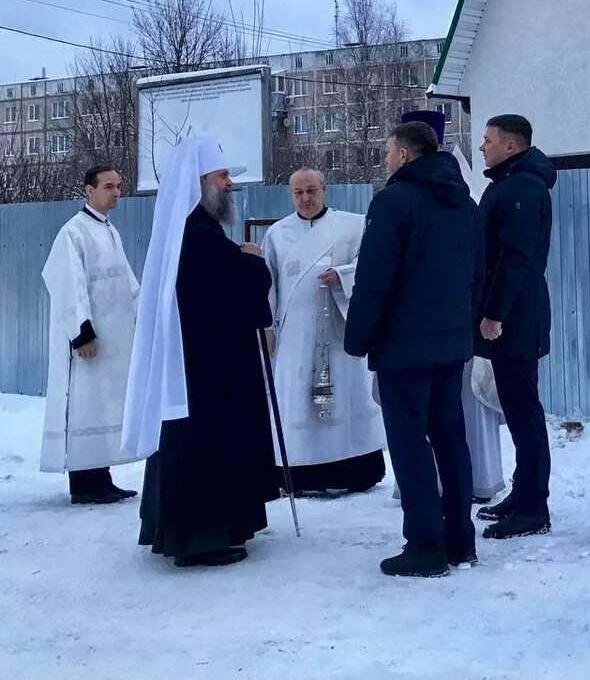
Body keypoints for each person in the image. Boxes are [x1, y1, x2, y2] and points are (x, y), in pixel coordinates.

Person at [123, 137, 279, 568]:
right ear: (200, 184)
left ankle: (200, 529)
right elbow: (226, 291)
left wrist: (239, 258)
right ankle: (200, 538)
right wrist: (251, 261)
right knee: (205, 447)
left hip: (202, 366)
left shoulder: (191, 231)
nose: (230, 184)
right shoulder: (197, 235)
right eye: (222, 176)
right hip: (205, 374)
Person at [344, 120, 480, 578]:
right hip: (450, 341)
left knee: (410, 444)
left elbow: (374, 277)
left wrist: (358, 335)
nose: (386, 159)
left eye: (388, 152)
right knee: (450, 438)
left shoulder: (393, 202)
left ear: (404, 155)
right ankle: (459, 539)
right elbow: (475, 269)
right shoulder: (463, 201)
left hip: (404, 345)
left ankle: (424, 544)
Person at [401, 109, 506, 505]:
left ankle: (477, 479)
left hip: (454, 315)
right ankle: (442, 484)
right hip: (436, 318)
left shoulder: (464, 192)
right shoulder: (409, 191)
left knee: (460, 404)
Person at [261, 168, 385, 495]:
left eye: (311, 191)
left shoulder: (352, 225)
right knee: (297, 399)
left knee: (346, 393)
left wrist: (343, 276)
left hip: (338, 328)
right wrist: (268, 327)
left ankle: (353, 470)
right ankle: (301, 475)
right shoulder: (277, 234)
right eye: (298, 193)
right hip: (296, 334)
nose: (305, 198)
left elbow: (371, 264)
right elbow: (268, 285)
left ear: (324, 190)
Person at [474, 114, 558, 539]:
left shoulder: (523, 187)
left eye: (487, 140)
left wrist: (495, 314)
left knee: (524, 411)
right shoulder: (510, 183)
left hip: (516, 318)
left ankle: (533, 507)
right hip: (514, 314)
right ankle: (523, 491)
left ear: (511, 146)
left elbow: (516, 256)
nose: (481, 147)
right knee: (517, 408)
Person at [40, 165, 142, 504]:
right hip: (88, 342)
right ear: (89, 190)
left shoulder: (111, 232)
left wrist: (144, 315)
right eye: (108, 186)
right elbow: (66, 281)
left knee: (103, 408)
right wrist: (81, 333)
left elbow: (127, 283)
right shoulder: (75, 231)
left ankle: (101, 476)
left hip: (112, 342)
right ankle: (84, 484)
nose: (115, 192)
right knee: (85, 407)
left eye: (118, 185)